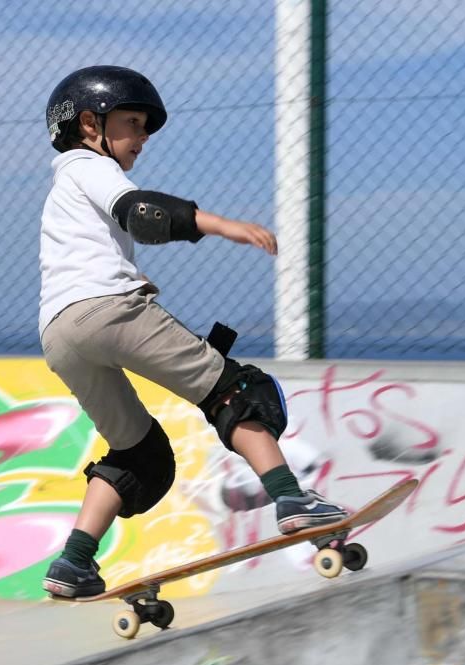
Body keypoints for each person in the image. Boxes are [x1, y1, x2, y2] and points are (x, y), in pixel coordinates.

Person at [38, 65, 347, 598]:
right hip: (109, 311)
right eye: (132, 124)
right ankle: (293, 502)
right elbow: (141, 212)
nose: (141, 139)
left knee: (140, 456)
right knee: (237, 393)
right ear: (89, 123)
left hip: (58, 333)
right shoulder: (88, 166)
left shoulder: (61, 186)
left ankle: (74, 562)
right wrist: (221, 225)